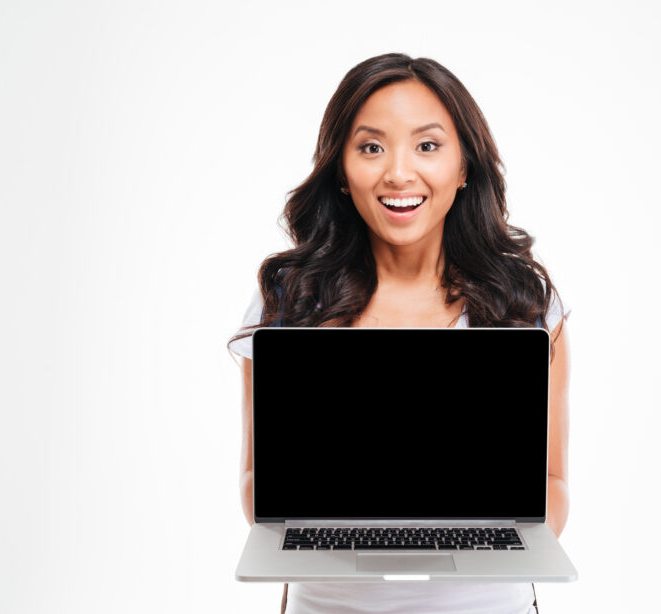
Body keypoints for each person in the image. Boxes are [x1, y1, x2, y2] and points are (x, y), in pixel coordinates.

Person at [228, 52, 571, 614]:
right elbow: (254, 482)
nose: (399, 173)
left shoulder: (524, 302)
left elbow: (553, 481)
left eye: (428, 145)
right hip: (330, 604)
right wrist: (352, 536)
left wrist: (479, 545)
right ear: (341, 170)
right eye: (371, 146)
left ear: (464, 168)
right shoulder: (293, 299)